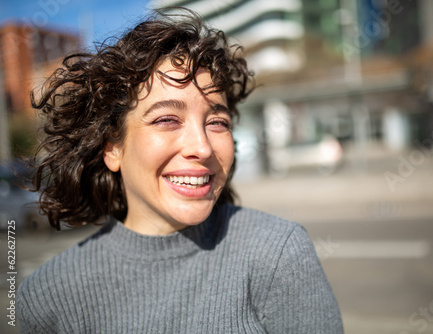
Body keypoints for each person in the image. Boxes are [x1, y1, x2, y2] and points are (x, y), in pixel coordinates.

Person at [18, 9, 343, 334]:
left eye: (217, 122)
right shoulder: (46, 298)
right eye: (167, 120)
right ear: (112, 148)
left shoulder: (278, 254)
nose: (202, 148)